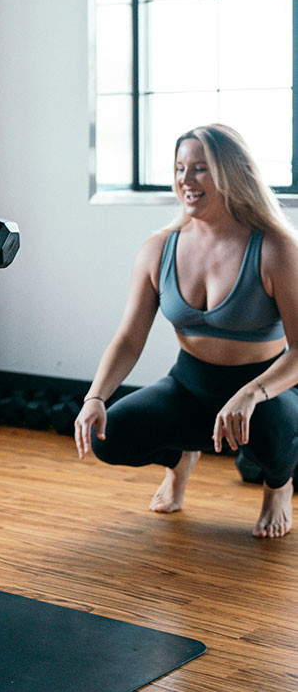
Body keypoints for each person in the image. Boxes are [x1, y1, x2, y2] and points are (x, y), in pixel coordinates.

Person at [74, 124, 298, 539]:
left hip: (266, 391)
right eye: (179, 168)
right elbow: (129, 338)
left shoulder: (275, 249)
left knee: (275, 436)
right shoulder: (160, 248)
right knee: (110, 437)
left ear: (232, 174)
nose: (185, 180)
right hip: (190, 384)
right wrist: (95, 397)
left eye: (200, 169)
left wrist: (252, 392)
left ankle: (278, 487)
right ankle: (180, 461)